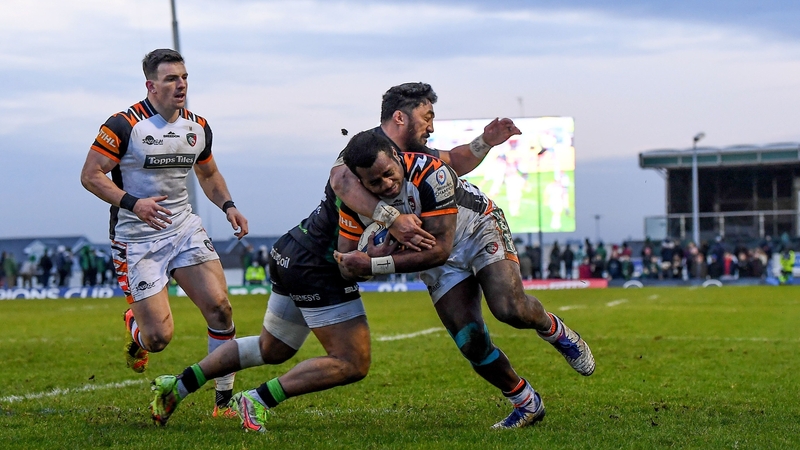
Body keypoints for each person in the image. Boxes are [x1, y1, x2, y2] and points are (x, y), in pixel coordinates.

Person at [146, 82, 523, 432]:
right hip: (321, 263)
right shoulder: (364, 153)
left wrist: (485, 142)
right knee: (351, 361)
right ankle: (256, 400)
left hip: (294, 250)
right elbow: (341, 188)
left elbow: (451, 161)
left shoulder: (405, 156)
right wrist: (390, 225)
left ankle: (177, 385)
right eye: (427, 117)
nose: (431, 127)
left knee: (271, 347)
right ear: (400, 118)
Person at [335, 132, 594, 429]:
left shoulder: (430, 172)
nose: (386, 185)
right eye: (374, 182)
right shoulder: (354, 204)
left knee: (509, 309)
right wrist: (365, 262)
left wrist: (375, 263)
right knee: (470, 341)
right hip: (434, 257)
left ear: (397, 157)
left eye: (388, 174)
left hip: (477, 230)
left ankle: (555, 330)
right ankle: (527, 404)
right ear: (359, 181)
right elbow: (347, 263)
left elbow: (440, 249)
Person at [80, 48, 249, 416]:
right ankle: (136, 327)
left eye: (184, 77)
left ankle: (224, 401)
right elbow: (91, 175)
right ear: (151, 85)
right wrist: (133, 202)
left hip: (183, 228)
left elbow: (207, 173)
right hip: (136, 237)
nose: (181, 84)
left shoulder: (198, 126)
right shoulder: (123, 125)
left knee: (220, 308)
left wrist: (229, 206)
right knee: (158, 339)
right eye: (171, 78)